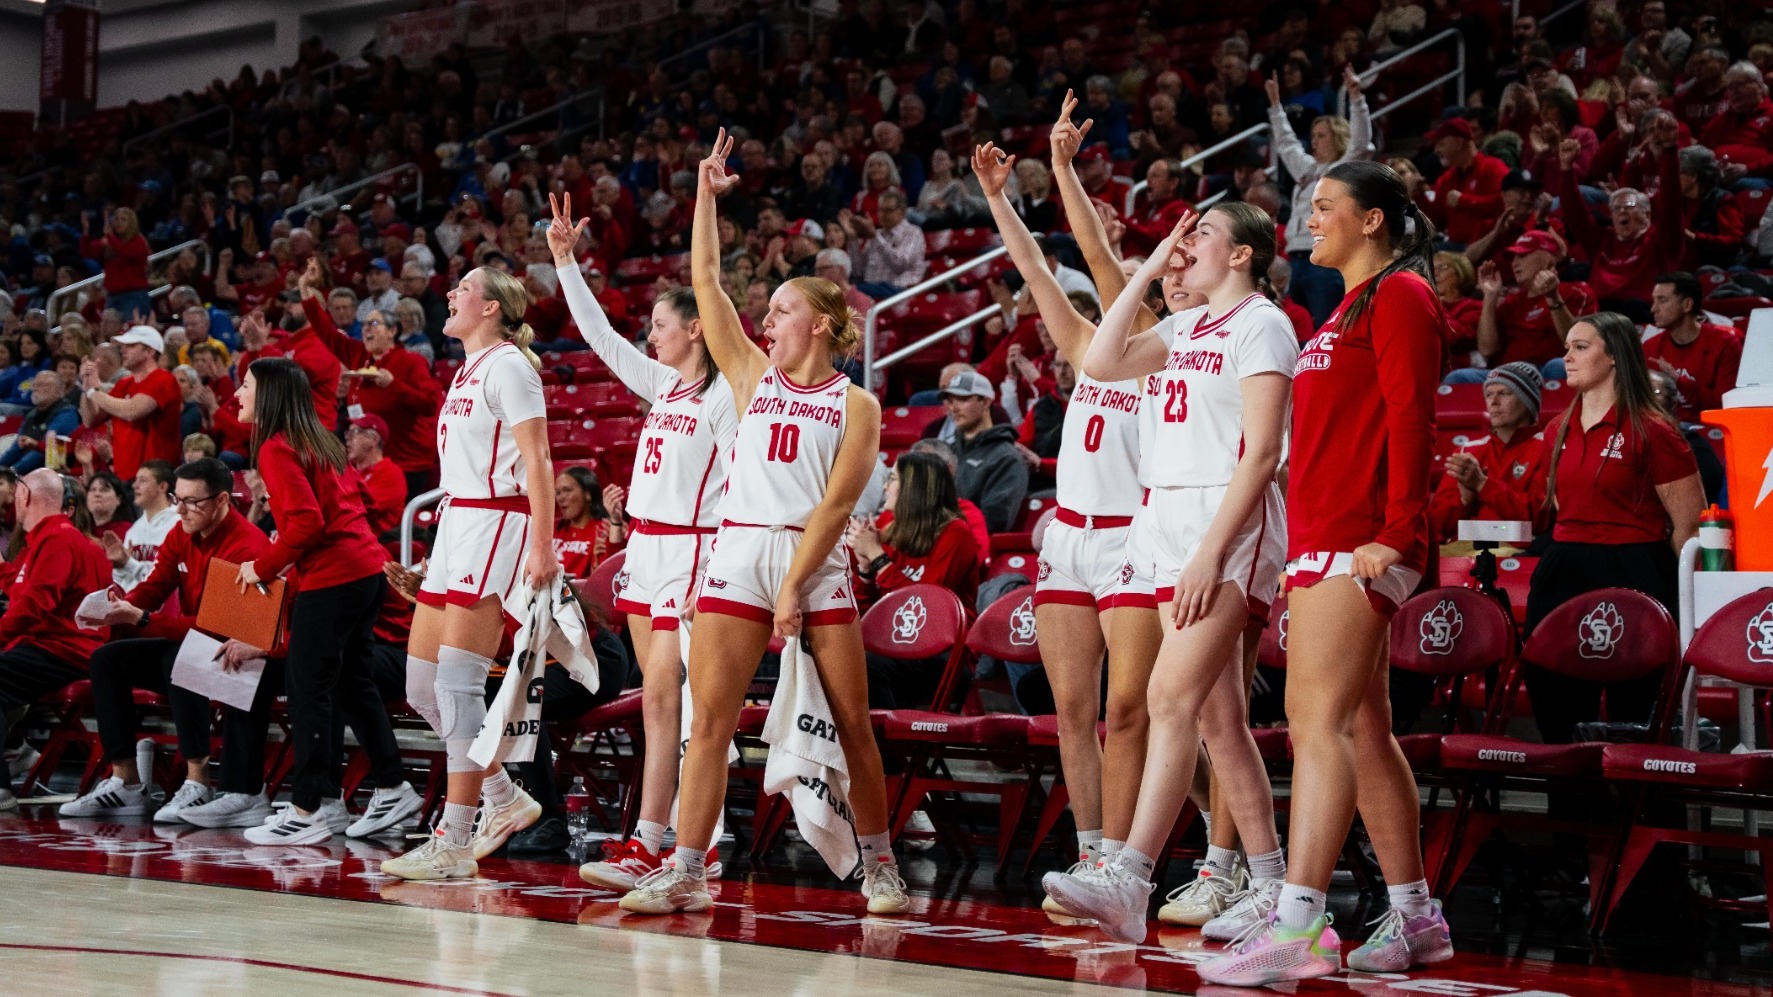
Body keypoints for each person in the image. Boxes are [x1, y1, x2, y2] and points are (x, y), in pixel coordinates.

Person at [619, 130, 908, 917]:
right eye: (768, 309)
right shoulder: (748, 373)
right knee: (709, 718)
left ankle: (880, 863)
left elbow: (837, 508)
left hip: (809, 559)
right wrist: (707, 200)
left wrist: (792, 586)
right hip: (737, 547)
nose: (766, 318)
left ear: (820, 322)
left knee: (852, 720)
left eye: (781, 310)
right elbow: (705, 279)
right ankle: (686, 868)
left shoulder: (857, 405)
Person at [1201, 161, 1450, 985]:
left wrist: (1396, 530)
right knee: (1364, 729)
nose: (1311, 219)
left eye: (1326, 207)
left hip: (1361, 540)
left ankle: (1302, 921)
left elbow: (1413, 414)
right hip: (1323, 538)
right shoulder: (1343, 307)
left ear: (1372, 220)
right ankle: (1415, 915)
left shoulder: (1402, 296)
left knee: (1317, 726)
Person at [1048, 192, 1296, 944]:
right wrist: (1153, 263)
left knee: (1167, 697)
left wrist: (1211, 552)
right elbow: (1099, 359)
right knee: (1219, 720)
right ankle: (1273, 884)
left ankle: (1128, 874)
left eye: (1202, 235)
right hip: (1159, 518)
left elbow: (1261, 453)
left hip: (1221, 520)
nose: (1187, 246)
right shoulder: (1184, 324)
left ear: (1243, 253)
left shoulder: (1264, 325)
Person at [974, 125, 1159, 921]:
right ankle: (1090, 854)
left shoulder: (1169, 355)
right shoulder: (1088, 348)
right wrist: (996, 198)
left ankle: (1124, 861)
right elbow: (1033, 267)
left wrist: (1063, 169)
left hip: (1130, 537)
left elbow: (1096, 256)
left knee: (1131, 711)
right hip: (1067, 539)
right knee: (1072, 713)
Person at [548, 192, 740, 890]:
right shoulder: (663, 385)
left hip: (694, 553)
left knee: (688, 708)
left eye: (660, 324)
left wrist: (712, 569)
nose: (649, 333)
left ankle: (695, 847)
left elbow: (740, 490)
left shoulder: (724, 396)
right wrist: (566, 263)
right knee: (656, 704)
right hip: (647, 552)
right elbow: (600, 338)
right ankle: (650, 840)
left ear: (695, 328)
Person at [379, 265, 556, 880]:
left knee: (458, 683)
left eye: (463, 289)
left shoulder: (510, 365)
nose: (450, 294)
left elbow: (538, 460)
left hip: (497, 524)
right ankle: (505, 798)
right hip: (459, 523)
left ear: (491, 308)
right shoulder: (468, 369)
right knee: (421, 688)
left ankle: (453, 839)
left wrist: (543, 543)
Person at [233, 358, 408, 847]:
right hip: (366, 570)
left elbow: (306, 526)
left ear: (266, 395)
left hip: (334, 578)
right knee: (352, 687)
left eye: (245, 386)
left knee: (308, 690)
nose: (237, 396)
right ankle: (390, 785)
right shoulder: (319, 440)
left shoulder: (275, 447)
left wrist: (262, 566)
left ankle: (308, 808)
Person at [1524, 313, 1703, 744]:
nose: (1566, 357)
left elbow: (1689, 526)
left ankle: (1640, 808)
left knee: (1636, 716)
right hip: (1564, 570)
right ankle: (1568, 809)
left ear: (1615, 358)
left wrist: (1689, 606)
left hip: (1636, 573)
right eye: (1566, 347)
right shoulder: (1556, 429)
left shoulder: (1655, 432)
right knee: (1555, 707)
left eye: (1581, 347)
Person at [0, 469, 112, 810]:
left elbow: (35, 605)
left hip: (62, 651)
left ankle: (5, 780)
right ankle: (16, 749)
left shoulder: (56, 540)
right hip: (66, 649)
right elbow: (22, 583)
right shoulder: (59, 539)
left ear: (24, 497)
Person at [297, 258, 443, 497]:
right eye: (364, 324)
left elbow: (428, 405)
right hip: (368, 459)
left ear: (392, 331)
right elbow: (326, 330)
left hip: (405, 462)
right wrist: (305, 287)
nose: (367, 329)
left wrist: (393, 385)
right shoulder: (358, 354)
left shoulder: (410, 362)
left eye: (374, 323)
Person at [848, 451, 982, 704]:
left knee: (865, 665)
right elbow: (867, 614)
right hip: (894, 647)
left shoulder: (955, 534)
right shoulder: (890, 530)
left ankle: (877, 742)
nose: (885, 486)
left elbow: (926, 607)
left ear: (913, 488)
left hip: (943, 657)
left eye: (893, 479)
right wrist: (865, 569)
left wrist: (877, 557)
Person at [1267, 66, 1372, 325]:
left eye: (1322, 136)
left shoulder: (1346, 168)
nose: (1314, 141)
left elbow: (1360, 141)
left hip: (1325, 262)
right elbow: (1287, 143)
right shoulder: (1307, 170)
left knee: (1326, 328)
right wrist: (1276, 107)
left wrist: (1357, 100)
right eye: (1313, 136)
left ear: (1337, 137)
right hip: (1296, 262)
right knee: (1295, 328)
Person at [1429, 363, 1553, 542]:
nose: (1493, 402)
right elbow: (1438, 524)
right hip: (1462, 554)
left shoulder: (1547, 449)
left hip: (1520, 556)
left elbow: (1539, 520)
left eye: (1504, 393)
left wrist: (1483, 485)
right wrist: (1465, 501)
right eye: (1488, 395)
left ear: (1528, 402)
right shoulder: (1467, 451)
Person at [1456, 231, 1595, 380]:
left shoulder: (1576, 292)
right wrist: (1490, 297)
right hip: (1509, 374)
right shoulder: (1511, 301)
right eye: (1513, 257)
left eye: (1523, 256)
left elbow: (1578, 343)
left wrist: (1552, 297)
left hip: (1546, 372)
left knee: (1558, 366)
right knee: (1459, 377)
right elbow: (1486, 349)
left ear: (1548, 258)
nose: (1515, 263)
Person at [78, 325, 183, 479]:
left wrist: (93, 391)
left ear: (150, 351)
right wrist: (87, 385)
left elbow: (132, 411)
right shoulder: (124, 384)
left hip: (156, 477)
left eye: (131, 346)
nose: (123, 350)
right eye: (123, 346)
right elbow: (90, 420)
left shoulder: (164, 379)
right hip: (123, 475)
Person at [1641, 272, 1743, 423]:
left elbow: (1725, 405)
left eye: (1662, 300)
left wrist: (1679, 381)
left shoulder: (1725, 343)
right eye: (1654, 301)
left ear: (1687, 304)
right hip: (1667, 430)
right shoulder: (1650, 347)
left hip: (1710, 429)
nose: (1653, 309)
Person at [942, 370, 1027, 532]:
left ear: (986, 402)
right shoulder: (948, 451)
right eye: (951, 401)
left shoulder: (1007, 458)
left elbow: (995, 521)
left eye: (963, 399)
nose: (953, 408)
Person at [105, 460, 179, 590]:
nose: (134, 485)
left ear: (162, 487)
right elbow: (124, 581)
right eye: (136, 480)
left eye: (143, 480)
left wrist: (128, 564)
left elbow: (170, 577)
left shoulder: (178, 525)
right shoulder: (133, 530)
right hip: (133, 605)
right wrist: (118, 566)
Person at [551, 465, 625, 580]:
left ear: (588, 494)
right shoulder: (552, 529)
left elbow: (609, 579)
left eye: (567, 490)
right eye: (558, 492)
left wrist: (596, 564)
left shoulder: (604, 530)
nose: (560, 498)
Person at [0, 370, 79, 473]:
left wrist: (13, 471)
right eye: (35, 384)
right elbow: (16, 448)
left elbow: (45, 450)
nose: (35, 389)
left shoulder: (67, 413)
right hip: (25, 473)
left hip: (52, 474)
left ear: (58, 391)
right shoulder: (31, 415)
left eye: (43, 385)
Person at [345, 415, 408, 536]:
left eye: (355, 432)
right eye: (347, 432)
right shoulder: (347, 470)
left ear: (374, 439)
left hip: (373, 545)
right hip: (349, 538)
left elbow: (358, 509)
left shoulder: (391, 473)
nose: (348, 438)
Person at [84, 471, 137, 545]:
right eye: (92, 489)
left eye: (104, 490)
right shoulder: (81, 530)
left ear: (118, 500)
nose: (97, 494)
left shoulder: (128, 531)